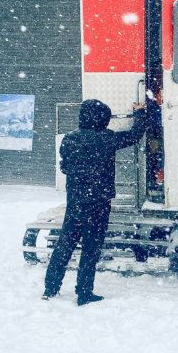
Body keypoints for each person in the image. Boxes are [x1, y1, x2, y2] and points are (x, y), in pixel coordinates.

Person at [43, 99, 147, 305]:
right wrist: (140, 113)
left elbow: (64, 167)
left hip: (76, 201)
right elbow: (135, 136)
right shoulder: (106, 139)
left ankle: (50, 288)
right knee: (91, 248)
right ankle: (84, 292)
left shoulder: (69, 139)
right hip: (99, 202)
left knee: (65, 245)